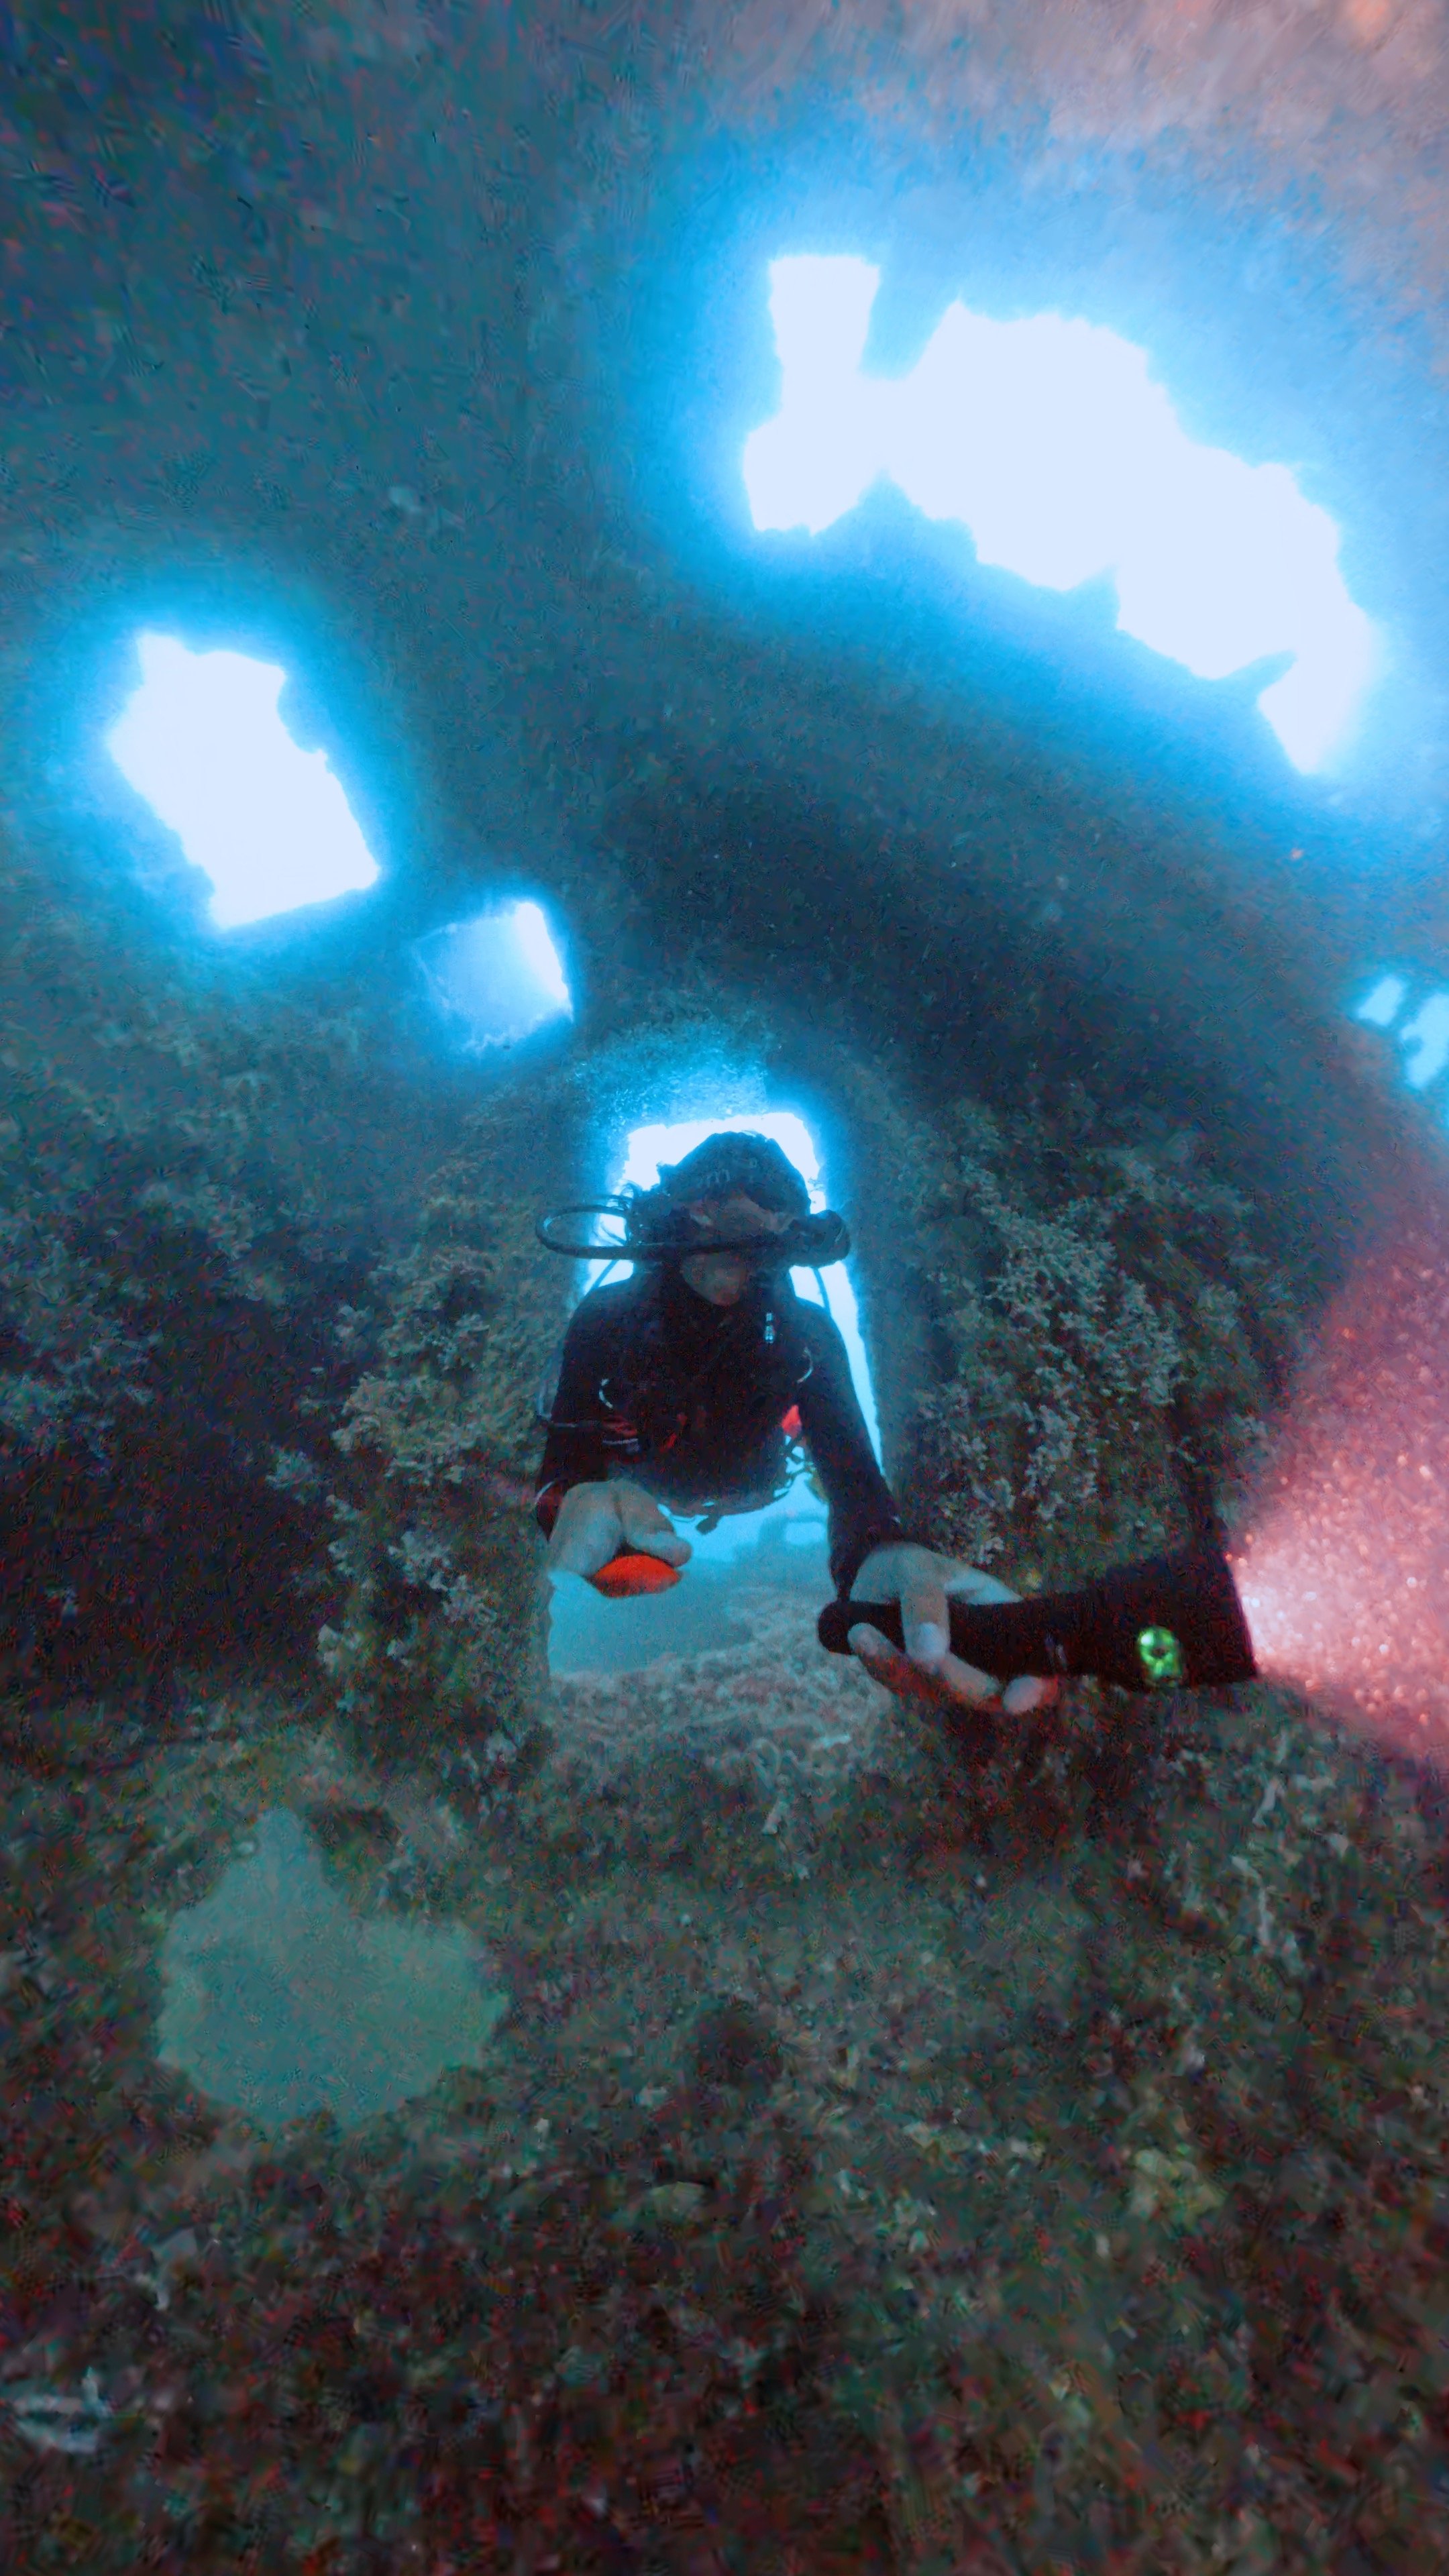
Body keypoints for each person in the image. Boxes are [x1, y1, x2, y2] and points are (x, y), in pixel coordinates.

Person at [536, 1132, 1052, 1716]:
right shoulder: (606, 1322)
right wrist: (571, 1505)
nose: (748, 1235)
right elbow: (562, 1474)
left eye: (776, 1215)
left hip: (756, 1480)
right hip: (650, 1495)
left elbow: (857, 1482)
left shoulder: (805, 1336)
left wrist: (877, 1554)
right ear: (685, 1209)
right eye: (719, 1207)